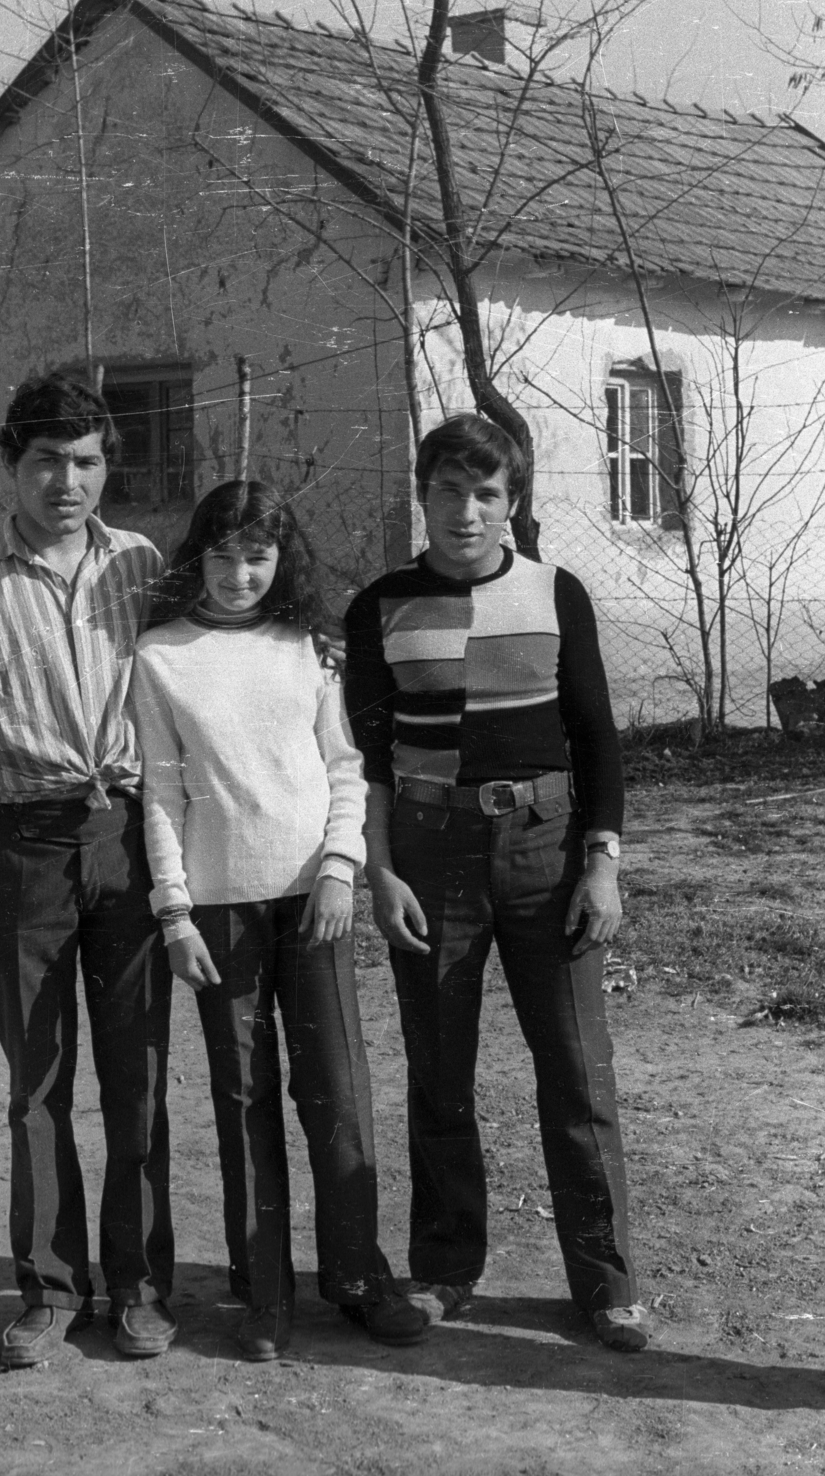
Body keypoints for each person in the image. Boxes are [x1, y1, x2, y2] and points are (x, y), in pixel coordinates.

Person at [343, 413, 648, 1352]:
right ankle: (442, 1268)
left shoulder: (556, 592)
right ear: (423, 496)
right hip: (430, 857)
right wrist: (381, 872)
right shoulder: (380, 606)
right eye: (447, 491)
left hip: (544, 850)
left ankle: (605, 1283)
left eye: (486, 494)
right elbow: (373, 762)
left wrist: (600, 861)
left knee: (574, 1071)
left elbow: (596, 737)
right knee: (440, 1075)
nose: (465, 512)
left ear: (511, 501)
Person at [0, 372, 177, 1369]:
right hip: (18, 847)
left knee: (137, 1075)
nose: (68, 481)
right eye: (46, 461)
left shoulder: (142, 568)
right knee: (39, 1086)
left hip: (126, 837)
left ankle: (141, 1289)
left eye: (87, 460)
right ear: (11, 466)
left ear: (107, 464)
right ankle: (52, 1288)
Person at [129, 480, 425, 1361]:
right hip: (219, 912)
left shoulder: (309, 647)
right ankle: (264, 1290)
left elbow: (344, 768)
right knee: (243, 1094)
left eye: (256, 556)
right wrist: (174, 913)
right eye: (221, 556)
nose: (238, 574)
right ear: (198, 558)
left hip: (314, 904)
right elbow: (162, 793)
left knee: (334, 1087)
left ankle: (358, 1276)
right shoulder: (159, 657)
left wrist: (339, 872)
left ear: (278, 560)